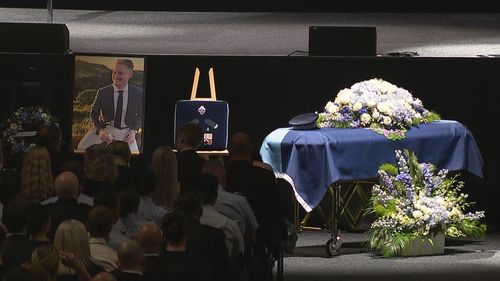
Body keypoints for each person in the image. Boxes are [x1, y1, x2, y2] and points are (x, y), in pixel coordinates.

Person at [77, 59, 143, 153]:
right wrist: (100, 130)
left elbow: (141, 115)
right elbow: (94, 114)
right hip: (106, 129)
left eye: (120, 73)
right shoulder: (103, 92)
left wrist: (134, 131)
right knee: (81, 147)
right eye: (114, 72)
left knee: (134, 155)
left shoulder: (138, 93)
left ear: (130, 75)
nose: (115, 76)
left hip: (127, 132)